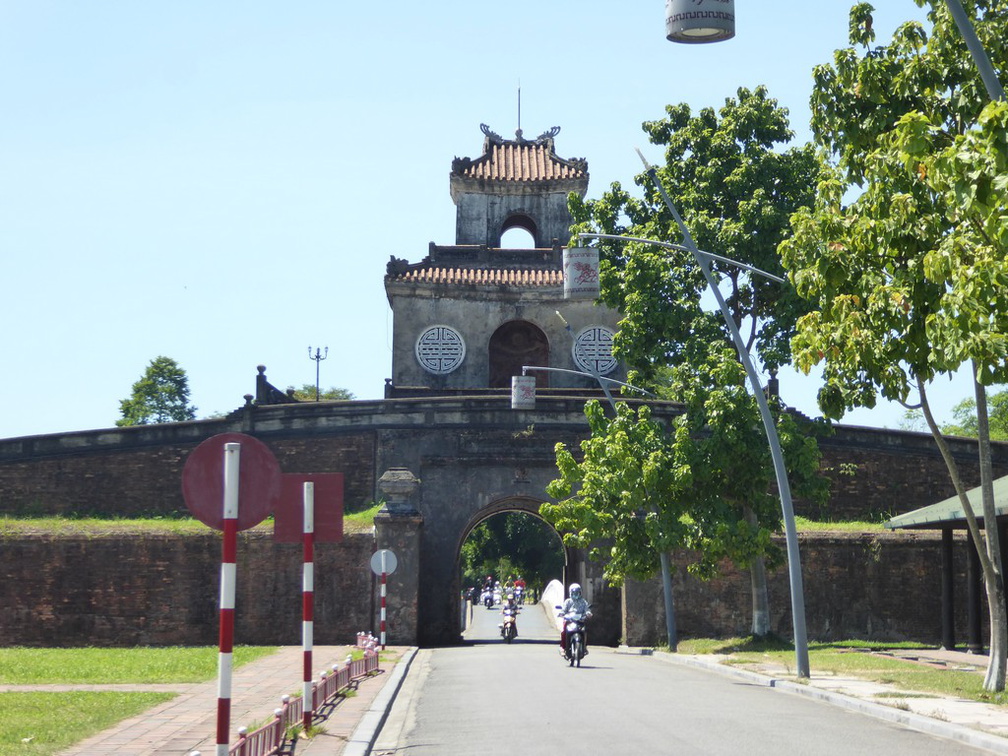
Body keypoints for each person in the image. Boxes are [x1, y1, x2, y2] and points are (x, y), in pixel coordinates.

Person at [558, 583, 591, 657]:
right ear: (570, 593)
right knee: (564, 632)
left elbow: (587, 610)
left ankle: (584, 647)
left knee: (584, 632)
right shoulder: (568, 601)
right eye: (574, 593)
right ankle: (563, 647)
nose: (576, 594)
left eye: (577, 593)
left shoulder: (583, 602)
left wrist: (588, 613)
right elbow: (563, 610)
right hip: (570, 620)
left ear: (580, 593)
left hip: (580, 621)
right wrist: (561, 614)